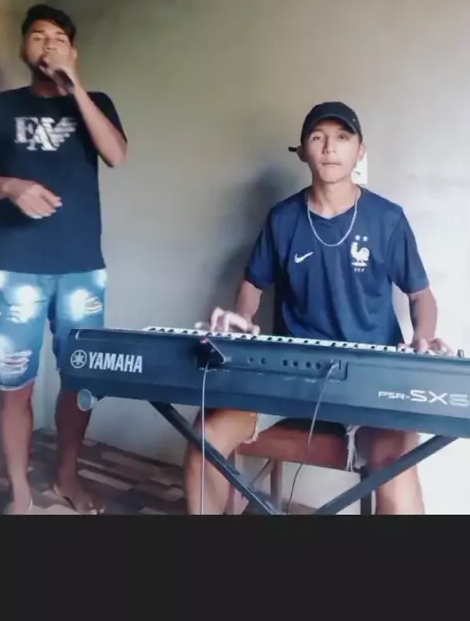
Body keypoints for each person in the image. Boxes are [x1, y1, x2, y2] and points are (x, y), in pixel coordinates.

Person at [184, 101, 452, 515]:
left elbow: (422, 296)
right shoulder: (283, 219)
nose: (329, 147)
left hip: (369, 381)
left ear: (360, 151)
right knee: (206, 436)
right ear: (303, 151)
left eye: (342, 137)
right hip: (288, 375)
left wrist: (422, 336)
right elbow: (253, 283)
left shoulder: (387, 219)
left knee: (397, 466)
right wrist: (243, 319)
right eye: (318, 137)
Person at [0, 4, 127, 514]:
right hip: (14, 267)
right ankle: (20, 492)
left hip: (81, 268)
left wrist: (76, 88)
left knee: (81, 380)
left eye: (58, 37)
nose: (47, 43)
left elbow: (116, 155)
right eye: (37, 35)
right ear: (23, 47)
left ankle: (68, 475)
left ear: (73, 51)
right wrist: (10, 186)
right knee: (13, 387)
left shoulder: (96, 103)